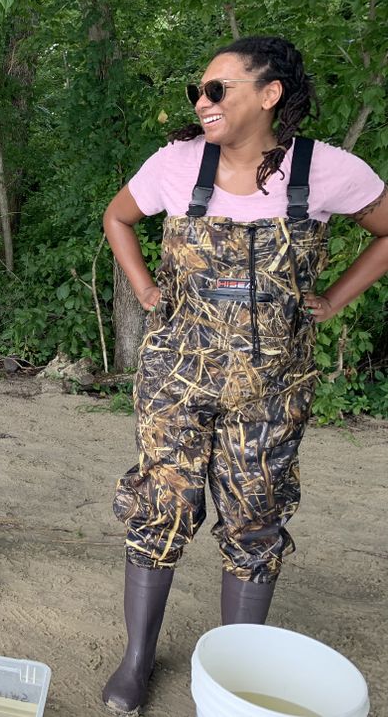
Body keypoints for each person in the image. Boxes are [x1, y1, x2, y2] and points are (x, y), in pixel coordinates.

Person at [101, 36, 388, 713]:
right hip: (177, 377)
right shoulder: (177, 164)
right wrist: (144, 290)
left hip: (271, 390)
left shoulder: (325, 170)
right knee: (160, 507)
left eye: (217, 89)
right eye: (196, 92)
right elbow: (118, 217)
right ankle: (138, 658)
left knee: (255, 523)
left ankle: (235, 673)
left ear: (270, 94)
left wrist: (335, 298)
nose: (202, 102)